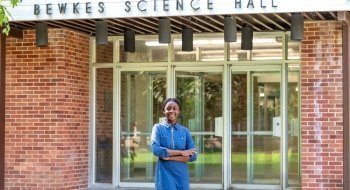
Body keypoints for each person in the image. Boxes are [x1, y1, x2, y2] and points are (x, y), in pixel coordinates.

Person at [151, 98, 198, 190]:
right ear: (164, 111)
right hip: (164, 176)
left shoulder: (185, 131)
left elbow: (194, 155)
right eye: (168, 108)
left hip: (181, 176)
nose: (171, 111)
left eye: (174, 108)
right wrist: (182, 153)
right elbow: (156, 150)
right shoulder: (158, 128)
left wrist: (168, 157)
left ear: (179, 111)